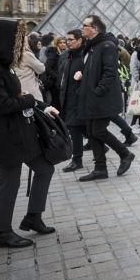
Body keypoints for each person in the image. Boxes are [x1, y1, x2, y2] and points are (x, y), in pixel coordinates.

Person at [0, 19, 58, 248]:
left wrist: (32, 102)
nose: (16, 46)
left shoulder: (4, 64)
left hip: (21, 132)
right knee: (9, 182)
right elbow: (0, 104)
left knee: (45, 168)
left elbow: (12, 95)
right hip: (7, 135)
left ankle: (33, 217)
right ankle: (2, 232)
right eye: (14, 41)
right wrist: (28, 99)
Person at [77, 15, 135, 181]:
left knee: (98, 130)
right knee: (91, 131)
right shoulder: (91, 46)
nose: (82, 28)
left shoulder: (107, 46)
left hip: (102, 97)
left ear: (95, 29)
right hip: (91, 96)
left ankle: (125, 154)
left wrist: (98, 91)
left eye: (85, 25)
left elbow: (110, 72)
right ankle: (100, 168)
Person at [59, 29, 88, 172]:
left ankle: (77, 160)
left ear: (79, 40)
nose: (67, 42)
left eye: (70, 40)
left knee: (74, 128)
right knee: (85, 129)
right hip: (68, 97)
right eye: (67, 39)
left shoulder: (84, 55)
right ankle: (104, 147)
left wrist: (78, 90)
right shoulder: (69, 55)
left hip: (77, 98)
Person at [43, 36, 66, 112]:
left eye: (64, 42)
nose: (63, 44)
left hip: (61, 81)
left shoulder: (66, 53)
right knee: (57, 103)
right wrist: (58, 78)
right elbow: (48, 67)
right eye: (60, 43)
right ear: (56, 44)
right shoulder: (54, 53)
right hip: (55, 83)